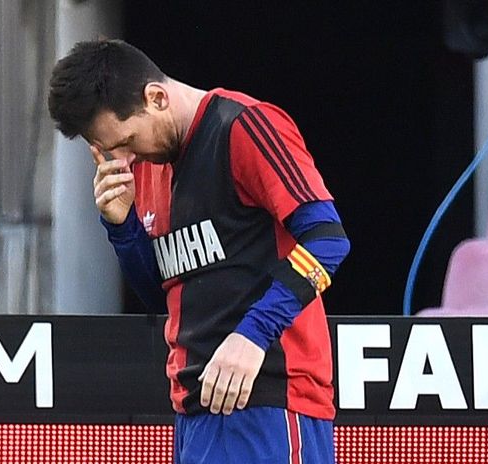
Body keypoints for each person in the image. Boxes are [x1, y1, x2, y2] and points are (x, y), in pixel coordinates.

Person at [48, 39, 350, 464]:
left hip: (270, 399)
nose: (127, 158)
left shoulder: (242, 126)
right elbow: (166, 297)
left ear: (156, 97)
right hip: (195, 408)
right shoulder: (144, 168)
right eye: (113, 149)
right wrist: (123, 228)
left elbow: (328, 239)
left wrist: (252, 334)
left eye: (129, 140)